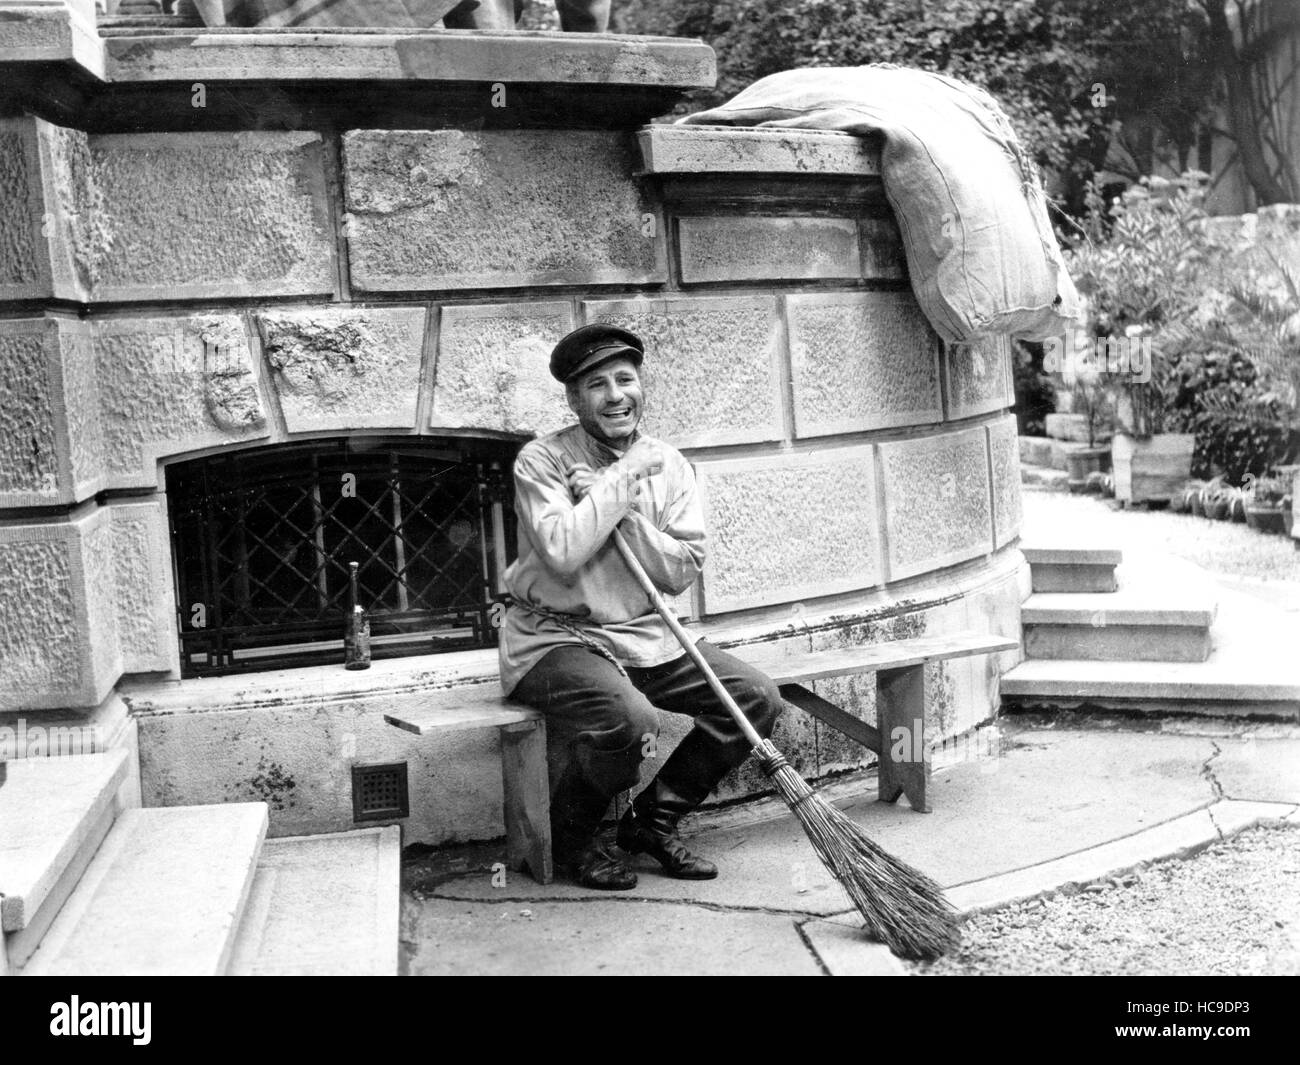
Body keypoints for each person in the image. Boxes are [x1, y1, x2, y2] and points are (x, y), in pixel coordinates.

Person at [498, 324, 784, 890]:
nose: (615, 395)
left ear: (641, 386)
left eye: (625, 379)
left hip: (646, 634)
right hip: (556, 638)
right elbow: (562, 550)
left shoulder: (669, 464)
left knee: (754, 698)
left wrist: (618, 509)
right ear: (574, 399)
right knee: (629, 720)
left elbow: (679, 569)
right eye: (596, 384)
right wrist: (621, 480)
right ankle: (574, 841)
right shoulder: (542, 461)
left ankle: (652, 824)